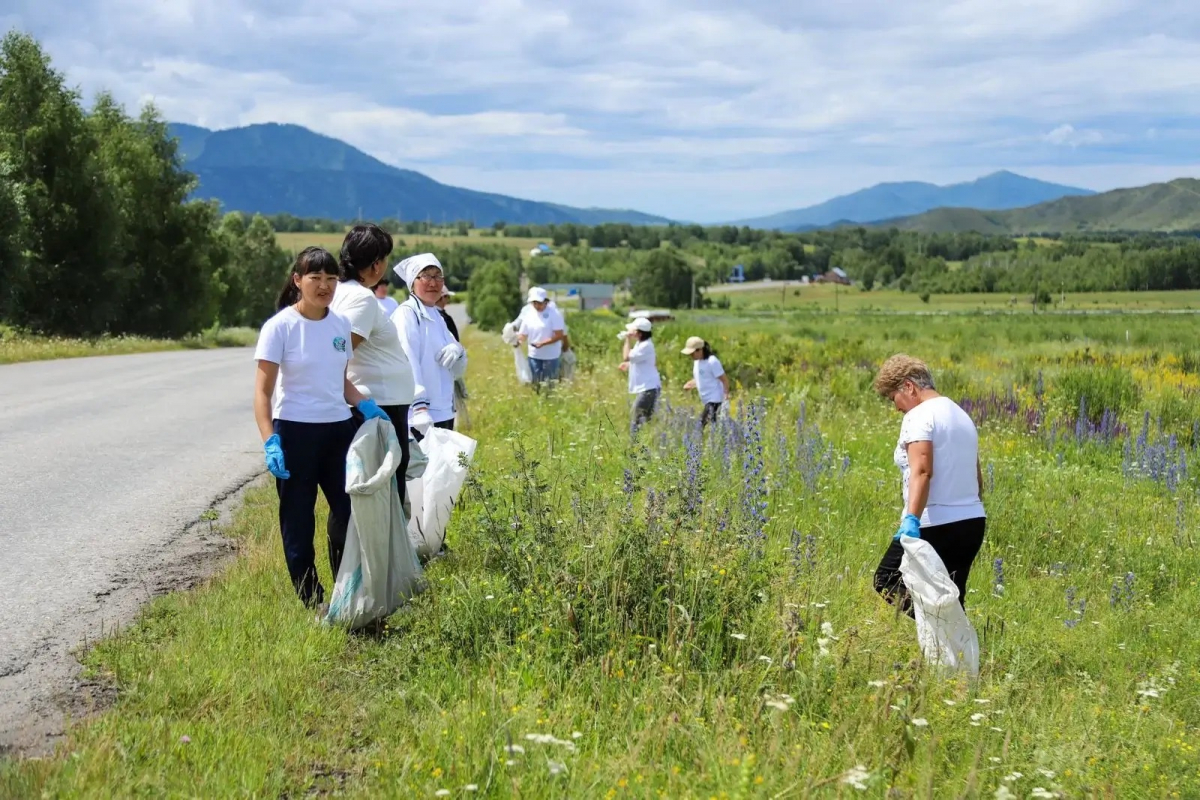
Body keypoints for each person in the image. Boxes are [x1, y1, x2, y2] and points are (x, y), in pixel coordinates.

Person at [253, 246, 392, 608]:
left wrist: (364, 404)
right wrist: (271, 441)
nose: (324, 285)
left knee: (350, 515)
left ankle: (347, 592)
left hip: (338, 432)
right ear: (298, 281)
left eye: (331, 278)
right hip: (295, 433)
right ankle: (312, 602)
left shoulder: (339, 325)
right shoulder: (279, 327)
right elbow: (262, 393)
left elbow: (341, 380)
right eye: (315, 278)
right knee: (298, 523)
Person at [871, 354, 986, 616]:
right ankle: (956, 652)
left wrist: (911, 520)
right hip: (972, 522)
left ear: (908, 387)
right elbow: (978, 478)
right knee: (953, 597)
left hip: (934, 523)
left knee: (886, 579)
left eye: (893, 398)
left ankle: (941, 625)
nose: (897, 408)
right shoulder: (961, 415)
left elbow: (922, 471)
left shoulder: (919, 415)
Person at [330, 224, 414, 507]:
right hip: (379, 405)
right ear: (376, 264)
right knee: (383, 492)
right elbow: (337, 354)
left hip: (379, 401)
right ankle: (376, 552)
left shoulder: (341, 292)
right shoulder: (362, 299)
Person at [392, 253, 465, 440]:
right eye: (426, 276)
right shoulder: (407, 314)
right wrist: (419, 406)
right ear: (412, 282)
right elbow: (407, 360)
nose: (433, 283)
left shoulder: (437, 316)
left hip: (443, 410)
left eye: (438, 276)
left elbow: (459, 363)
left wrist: (458, 351)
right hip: (419, 417)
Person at [435, 285, 470, 429]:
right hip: (446, 368)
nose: (447, 300)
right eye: (446, 297)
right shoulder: (439, 318)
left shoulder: (442, 315)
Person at [516, 287, 566, 386]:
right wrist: (517, 340)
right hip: (534, 355)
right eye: (534, 303)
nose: (536, 306)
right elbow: (523, 334)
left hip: (551, 356)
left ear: (545, 302)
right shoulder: (529, 314)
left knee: (549, 383)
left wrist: (543, 343)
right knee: (536, 382)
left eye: (539, 303)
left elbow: (559, 335)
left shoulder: (554, 314)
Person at [619, 317, 660, 432]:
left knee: (635, 420)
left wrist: (627, 340)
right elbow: (638, 360)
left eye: (634, 331)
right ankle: (645, 444)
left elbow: (626, 356)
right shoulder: (641, 344)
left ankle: (634, 446)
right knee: (646, 422)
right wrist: (628, 365)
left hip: (648, 389)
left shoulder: (645, 346)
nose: (631, 333)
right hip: (648, 388)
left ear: (640, 333)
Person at [681, 336, 729, 426]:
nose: (691, 356)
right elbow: (702, 377)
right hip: (706, 399)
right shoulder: (697, 362)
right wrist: (691, 384)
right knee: (715, 425)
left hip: (715, 399)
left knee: (700, 424)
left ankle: (697, 440)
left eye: (692, 353)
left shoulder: (712, 361)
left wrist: (726, 397)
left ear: (700, 350)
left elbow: (724, 379)